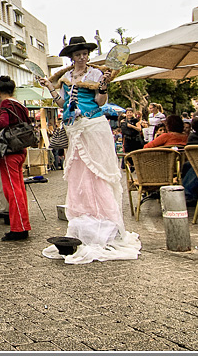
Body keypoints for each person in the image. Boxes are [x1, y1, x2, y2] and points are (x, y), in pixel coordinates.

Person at [38, 36, 141, 264]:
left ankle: (105, 218)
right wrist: (49, 88)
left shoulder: (96, 74)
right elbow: (62, 104)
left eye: (85, 53)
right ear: (72, 57)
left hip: (94, 125)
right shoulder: (65, 77)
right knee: (79, 171)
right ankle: (85, 217)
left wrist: (104, 86)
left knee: (98, 171)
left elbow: (101, 101)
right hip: (74, 128)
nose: (83, 57)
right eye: (78, 54)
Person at [0, 76, 32, 241]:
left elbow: (3, 122)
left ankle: (18, 228)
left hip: (10, 150)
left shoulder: (6, 104)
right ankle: (22, 224)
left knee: (11, 189)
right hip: (21, 148)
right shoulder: (21, 105)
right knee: (19, 188)